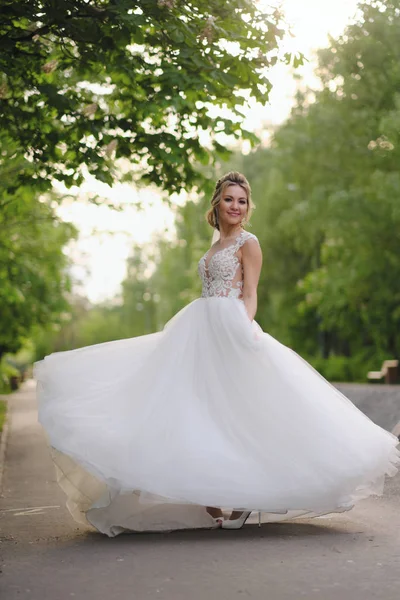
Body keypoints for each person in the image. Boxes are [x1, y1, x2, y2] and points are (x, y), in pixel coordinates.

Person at [35, 171, 399, 536]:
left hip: (230, 327)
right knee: (195, 411)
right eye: (230, 199)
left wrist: (243, 328)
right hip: (198, 329)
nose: (236, 206)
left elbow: (251, 293)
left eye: (242, 201)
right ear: (218, 203)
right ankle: (211, 500)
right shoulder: (214, 245)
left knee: (242, 412)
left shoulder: (249, 243)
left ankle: (243, 501)